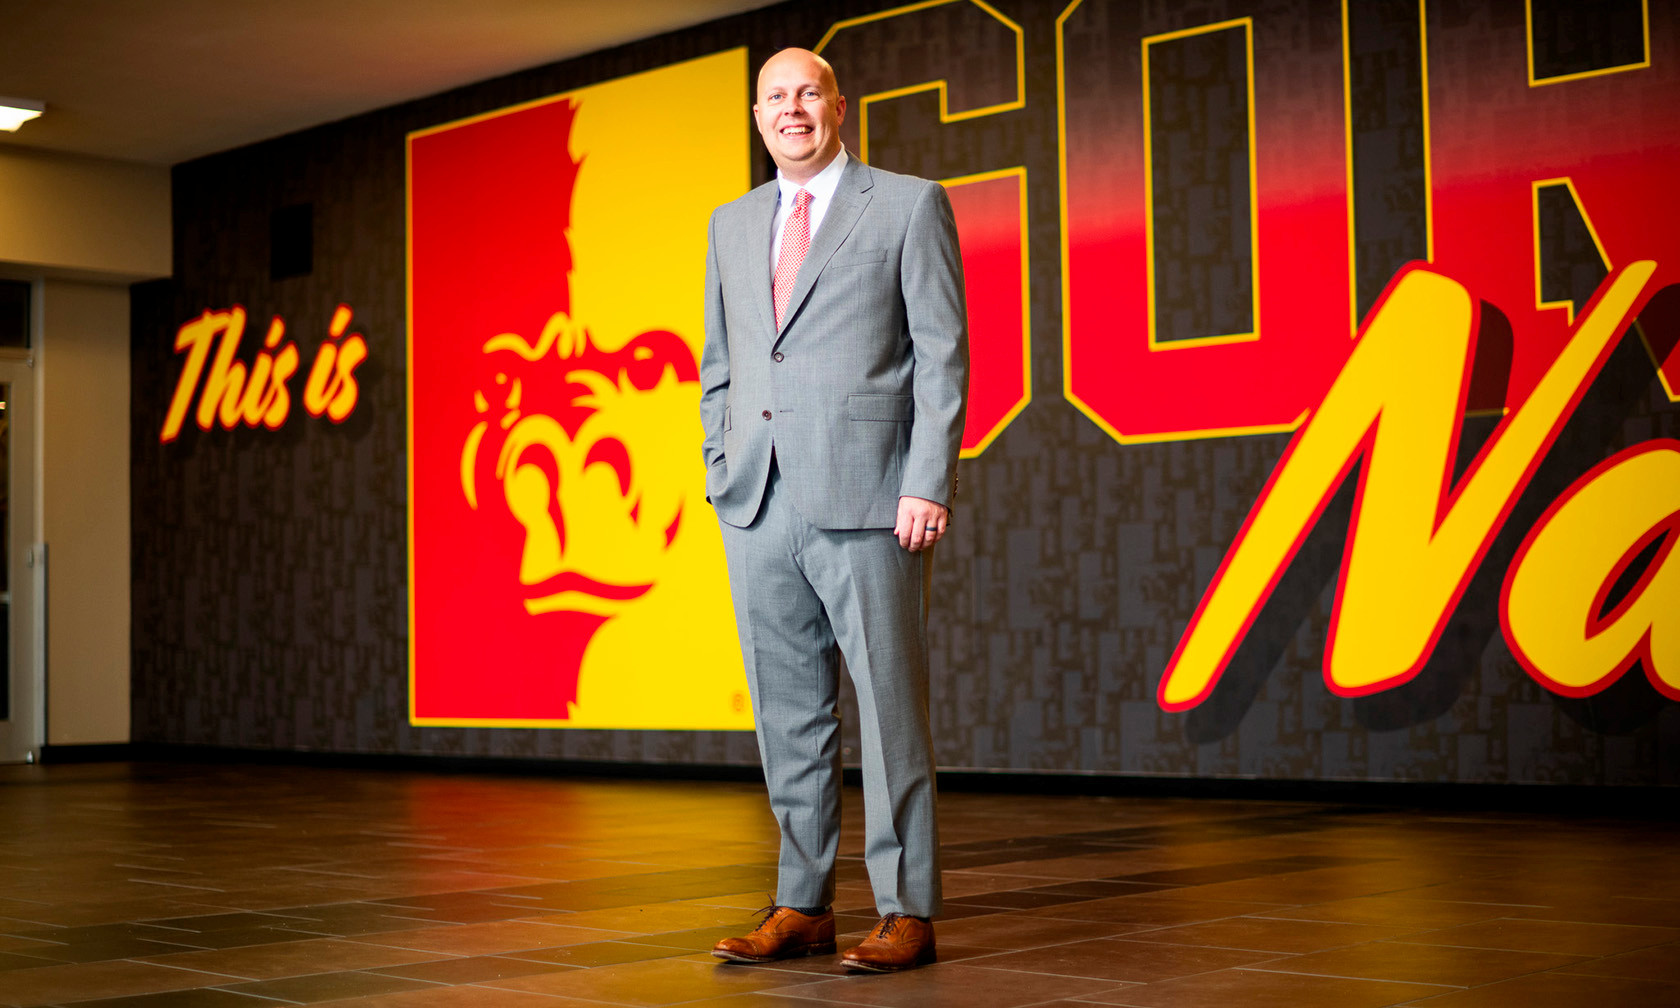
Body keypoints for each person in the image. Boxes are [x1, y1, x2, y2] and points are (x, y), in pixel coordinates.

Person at [699, 47, 968, 973]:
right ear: (757, 115)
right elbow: (721, 365)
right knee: (787, 713)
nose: (791, 109)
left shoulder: (905, 203)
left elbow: (942, 355)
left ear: (839, 105)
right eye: (775, 97)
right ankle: (802, 902)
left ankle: (907, 910)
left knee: (892, 711)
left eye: (807, 92)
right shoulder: (731, 225)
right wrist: (718, 465)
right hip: (756, 499)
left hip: (869, 493)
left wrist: (926, 478)